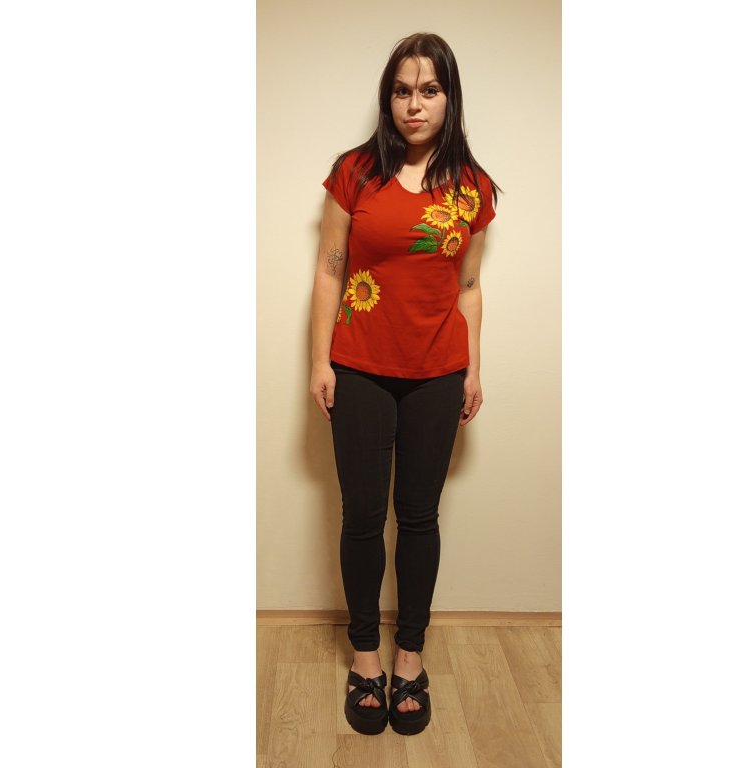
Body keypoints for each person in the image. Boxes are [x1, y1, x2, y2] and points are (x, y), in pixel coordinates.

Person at [308, 32, 499, 736]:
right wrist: (320, 362)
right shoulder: (355, 172)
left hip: (437, 375)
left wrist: (473, 366)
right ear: (387, 98)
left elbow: (469, 285)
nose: (414, 104)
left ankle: (409, 657)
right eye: (401, 90)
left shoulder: (473, 188)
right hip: (359, 367)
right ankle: (365, 657)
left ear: (449, 97)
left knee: (419, 518)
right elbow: (329, 267)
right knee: (362, 517)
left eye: (429, 90)